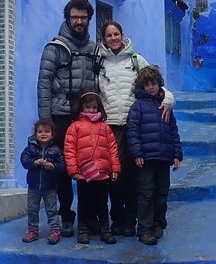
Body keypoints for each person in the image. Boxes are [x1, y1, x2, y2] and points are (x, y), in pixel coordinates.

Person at [97, 21, 175, 237]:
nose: (113, 38)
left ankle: (131, 220)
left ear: (122, 35)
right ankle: (117, 219)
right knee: (115, 176)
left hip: (135, 125)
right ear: (103, 39)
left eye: (116, 34)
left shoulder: (136, 60)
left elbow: (158, 85)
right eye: (109, 35)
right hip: (111, 126)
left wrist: (167, 101)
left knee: (134, 176)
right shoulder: (99, 63)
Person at [36, 0, 101, 236]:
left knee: (90, 167)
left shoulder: (95, 49)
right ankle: (66, 216)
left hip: (86, 117)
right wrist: (46, 120)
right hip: (61, 115)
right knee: (62, 169)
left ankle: (90, 216)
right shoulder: (55, 48)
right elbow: (44, 83)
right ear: (67, 18)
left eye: (83, 17)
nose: (79, 21)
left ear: (89, 19)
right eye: (75, 17)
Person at [126, 65, 183, 246]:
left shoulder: (165, 107)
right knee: (145, 193)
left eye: (154, 83)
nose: (151, 87)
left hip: (164, 157)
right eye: (147, 84)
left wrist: (176, 154)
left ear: (160, 84)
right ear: (142, 87)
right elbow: (132, 132)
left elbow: (173, 131)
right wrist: (137, 153)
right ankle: (144, 229)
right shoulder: (137, 107)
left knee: (162, 191)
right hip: (146, 159)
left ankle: (159, 223)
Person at [63, 92, 120, 245]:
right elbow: (69, 150)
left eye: (95, 107)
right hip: (84, 174)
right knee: (84, 203)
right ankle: (83, 230)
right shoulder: (74, 127)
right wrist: (73, 170)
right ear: (82, 107)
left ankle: (105, 229)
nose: (92, 110)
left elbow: (112, 149)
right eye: (88, 107)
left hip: (102, 174)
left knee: (102, 203)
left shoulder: (104, 127)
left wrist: (114, 169)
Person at [19, 120, 66, 245]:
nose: (43, 134)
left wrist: (53, 166)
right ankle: (33, 231)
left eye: (46, 131)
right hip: (33, 186)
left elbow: (63, 166)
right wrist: (34, 163)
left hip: (50, 186)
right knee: (32, 209)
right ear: (35, 134)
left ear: (52, 134)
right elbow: (24, 160)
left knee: (52, 210)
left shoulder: (56, 150)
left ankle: (55, 231)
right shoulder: (30, 148)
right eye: (40, 132)